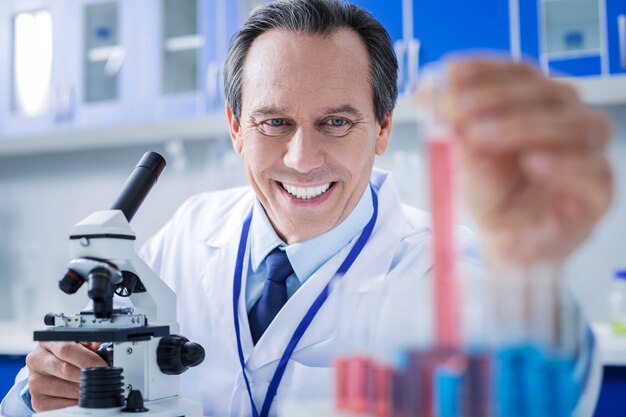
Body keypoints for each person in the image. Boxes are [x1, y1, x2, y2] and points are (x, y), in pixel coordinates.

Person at [1, 0, 613, 416]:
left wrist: (533, 275)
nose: (302, 158)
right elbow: (38, 386)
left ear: (382, 129)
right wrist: (41, 390)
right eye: (275, 122)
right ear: (237, 128)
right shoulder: (189, 233)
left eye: (336, 122)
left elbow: (542, 385)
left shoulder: (439, 264)